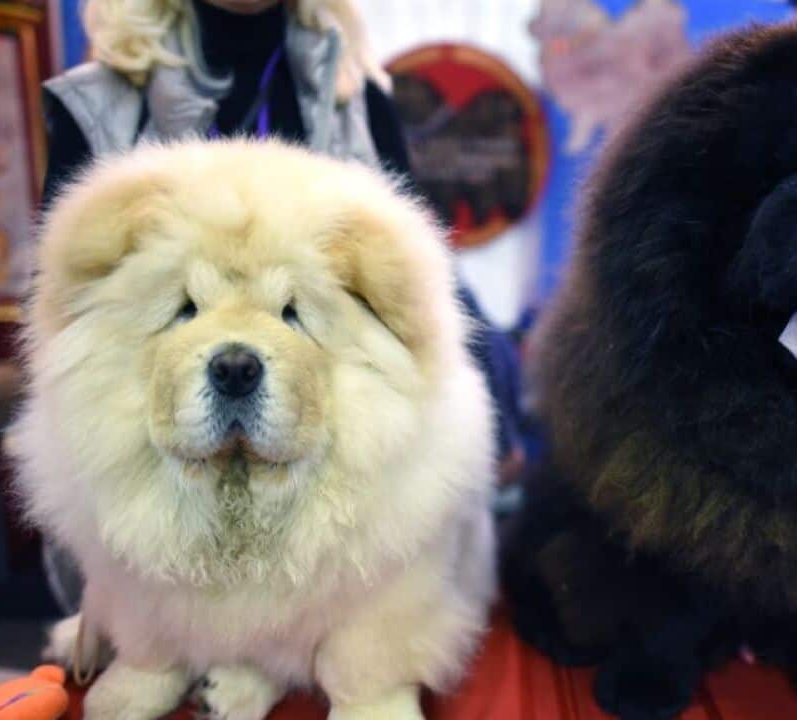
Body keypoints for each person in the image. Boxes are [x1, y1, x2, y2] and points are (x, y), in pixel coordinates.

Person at [38, 0, 525, 612]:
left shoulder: (357, 96)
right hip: (160, 495)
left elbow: (417, 291)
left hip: (325, 505)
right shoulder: (97, 103)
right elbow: (69, 332)